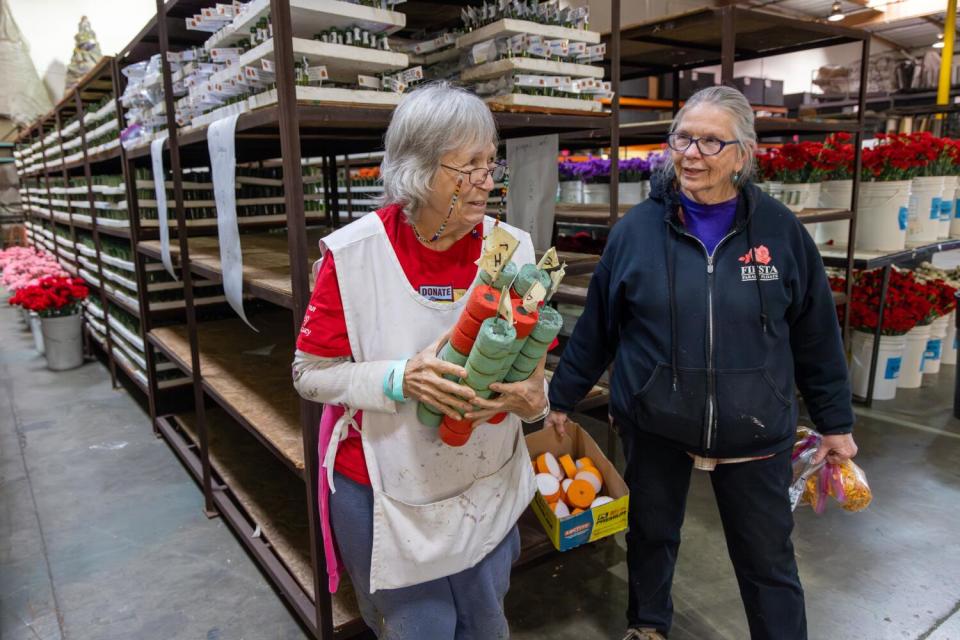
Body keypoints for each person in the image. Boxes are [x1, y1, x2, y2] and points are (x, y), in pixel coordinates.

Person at [544, 86, 857, 640]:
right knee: (651, 533)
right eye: (683, 138)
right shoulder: (636, 233)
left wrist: (836, 422)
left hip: (756, 428)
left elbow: (816, 335)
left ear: (743, 153)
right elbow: (597, 328)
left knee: (767, 558)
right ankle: (647, 626)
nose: (692, 153)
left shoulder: (781, 233)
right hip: (656, 418)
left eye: (711, 142)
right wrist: (561, 400)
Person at [291, 82, 550, 639]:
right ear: (418, 169)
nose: (488, 179)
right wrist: (399, 377)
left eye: (491, 161)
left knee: (485, 622)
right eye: (470, 165)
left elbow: (532, 374)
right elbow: (308, 374)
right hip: (385, 488)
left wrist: (536, 401)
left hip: (485, 476)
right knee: (420, 627)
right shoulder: (356, 256)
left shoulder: (513, 249)